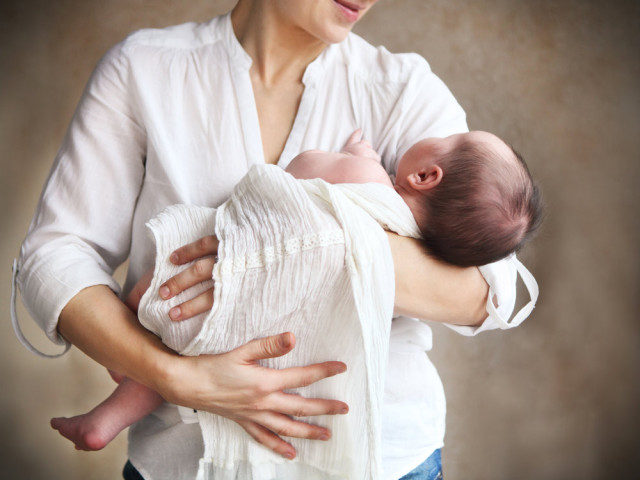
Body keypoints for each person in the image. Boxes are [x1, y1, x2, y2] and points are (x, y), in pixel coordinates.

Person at [12, 1, 539, 479]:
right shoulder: (146, 70)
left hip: (382, 461)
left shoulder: (403, 89)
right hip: (187, 461)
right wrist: (172, 376)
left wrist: (269, 251)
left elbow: (490, 287)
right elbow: (55, 254)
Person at [48, 129, 541, 467]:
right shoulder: (421, 244)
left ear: (426, 177)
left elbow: (302, 170)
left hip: (235, 293)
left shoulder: (374, 185)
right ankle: (112, 407)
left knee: (169, 281)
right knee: (199, 351)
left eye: (453, 139)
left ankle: (125, 368)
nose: (444, 132)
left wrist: (360, 157)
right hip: (289, 343)